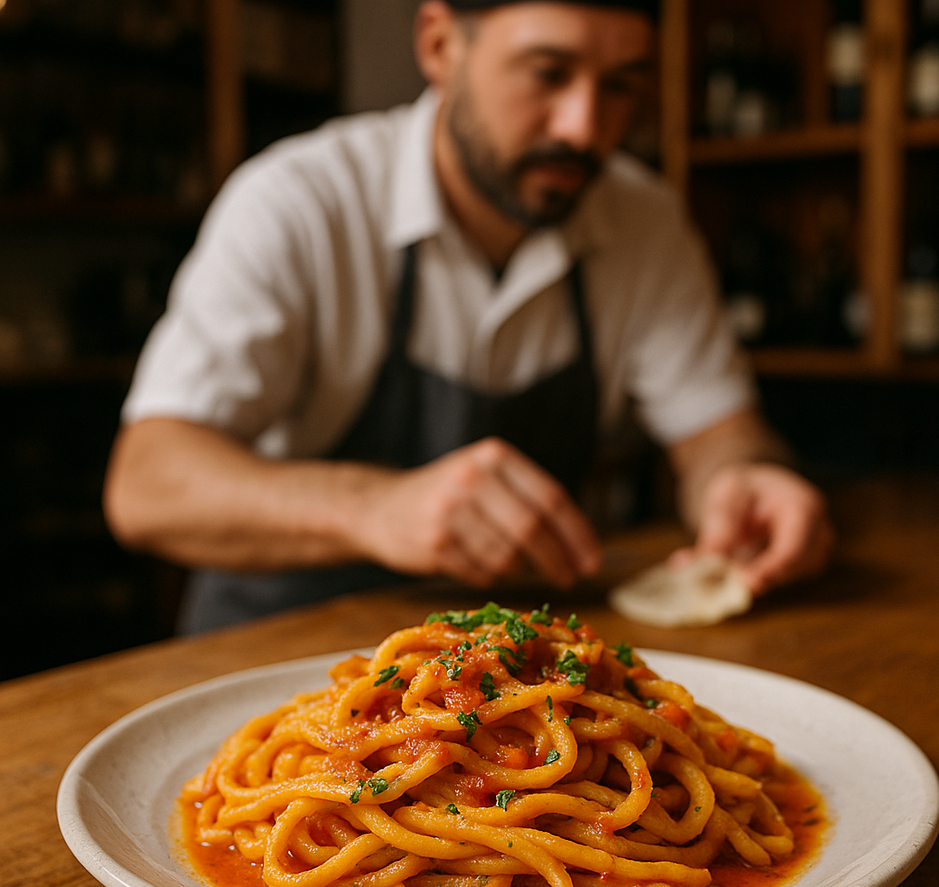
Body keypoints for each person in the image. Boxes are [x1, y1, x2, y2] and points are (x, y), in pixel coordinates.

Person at [103, 0, 833, 634]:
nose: (584, 127)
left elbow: (719, 434)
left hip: (513, 690)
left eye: (620, 87)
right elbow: (147, 484)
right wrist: (373, 506)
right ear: (440, 46)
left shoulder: (644, 222)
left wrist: (747, 479)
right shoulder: (298, 202)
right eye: (548, 73)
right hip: (266, 670)